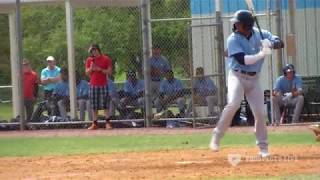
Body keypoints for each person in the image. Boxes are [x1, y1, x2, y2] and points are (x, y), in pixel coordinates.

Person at [209, 10, 284, 157]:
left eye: (239, 23)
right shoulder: (232, 39)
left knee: (260, 113)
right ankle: (217, 135)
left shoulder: (260, 33)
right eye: (236, 23)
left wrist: (271, 43)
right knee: (233, 104)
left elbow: (281, 42)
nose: (236, 25)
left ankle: (263, 149)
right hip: (237, 76)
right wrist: (262, 53)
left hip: (254, 79)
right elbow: (243, 60)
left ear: (248, 25)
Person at [85, 43, 113, 130]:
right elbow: (87, 72)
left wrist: (100, 70)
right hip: (93, 84)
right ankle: (95, 123)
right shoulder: (90, 60)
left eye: (95, 50)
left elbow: (109, 72)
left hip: (103, 84)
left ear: (98, 50)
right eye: (92, 51)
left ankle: (107, 123)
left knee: (105, 104)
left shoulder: (106, 59)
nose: (94, 52)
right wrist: (91, 68)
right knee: (94, 105)